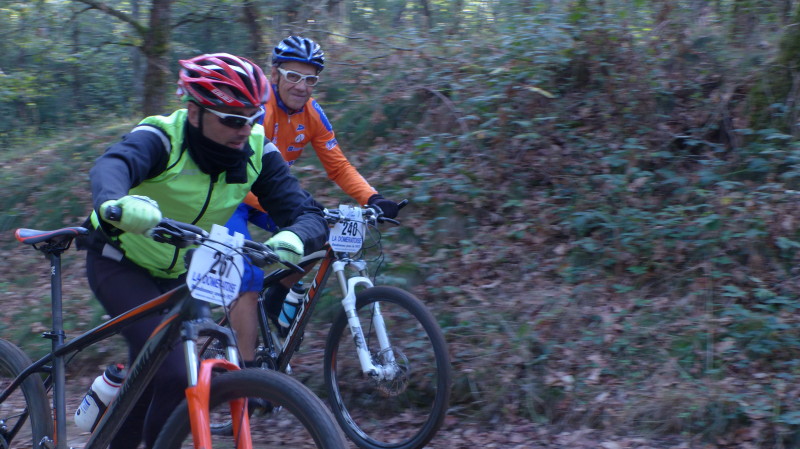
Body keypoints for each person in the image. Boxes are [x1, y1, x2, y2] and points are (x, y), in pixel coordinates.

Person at [79, 52, 328, 449]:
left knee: (162, 373)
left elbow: (306, 211)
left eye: (252, 117)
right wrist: (118, 202)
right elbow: (114, 165)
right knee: (177, 373)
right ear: (194, 112)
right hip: (119, 259)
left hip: (182, 269)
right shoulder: (164, 137)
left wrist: (295, 238)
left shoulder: (256, 149)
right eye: (231, 119)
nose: (244, 129)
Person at [225, 36, 401, 356]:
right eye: (293, 76)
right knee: (246, 279)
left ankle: (278, 292)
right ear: (274, 74)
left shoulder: (312, 114)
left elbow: (338, 165)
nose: (302, 86)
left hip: (271, 197)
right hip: (232, 198)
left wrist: (372, 198)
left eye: (310, 79)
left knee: (321, 233)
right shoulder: (257, 109)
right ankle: (245, 372)